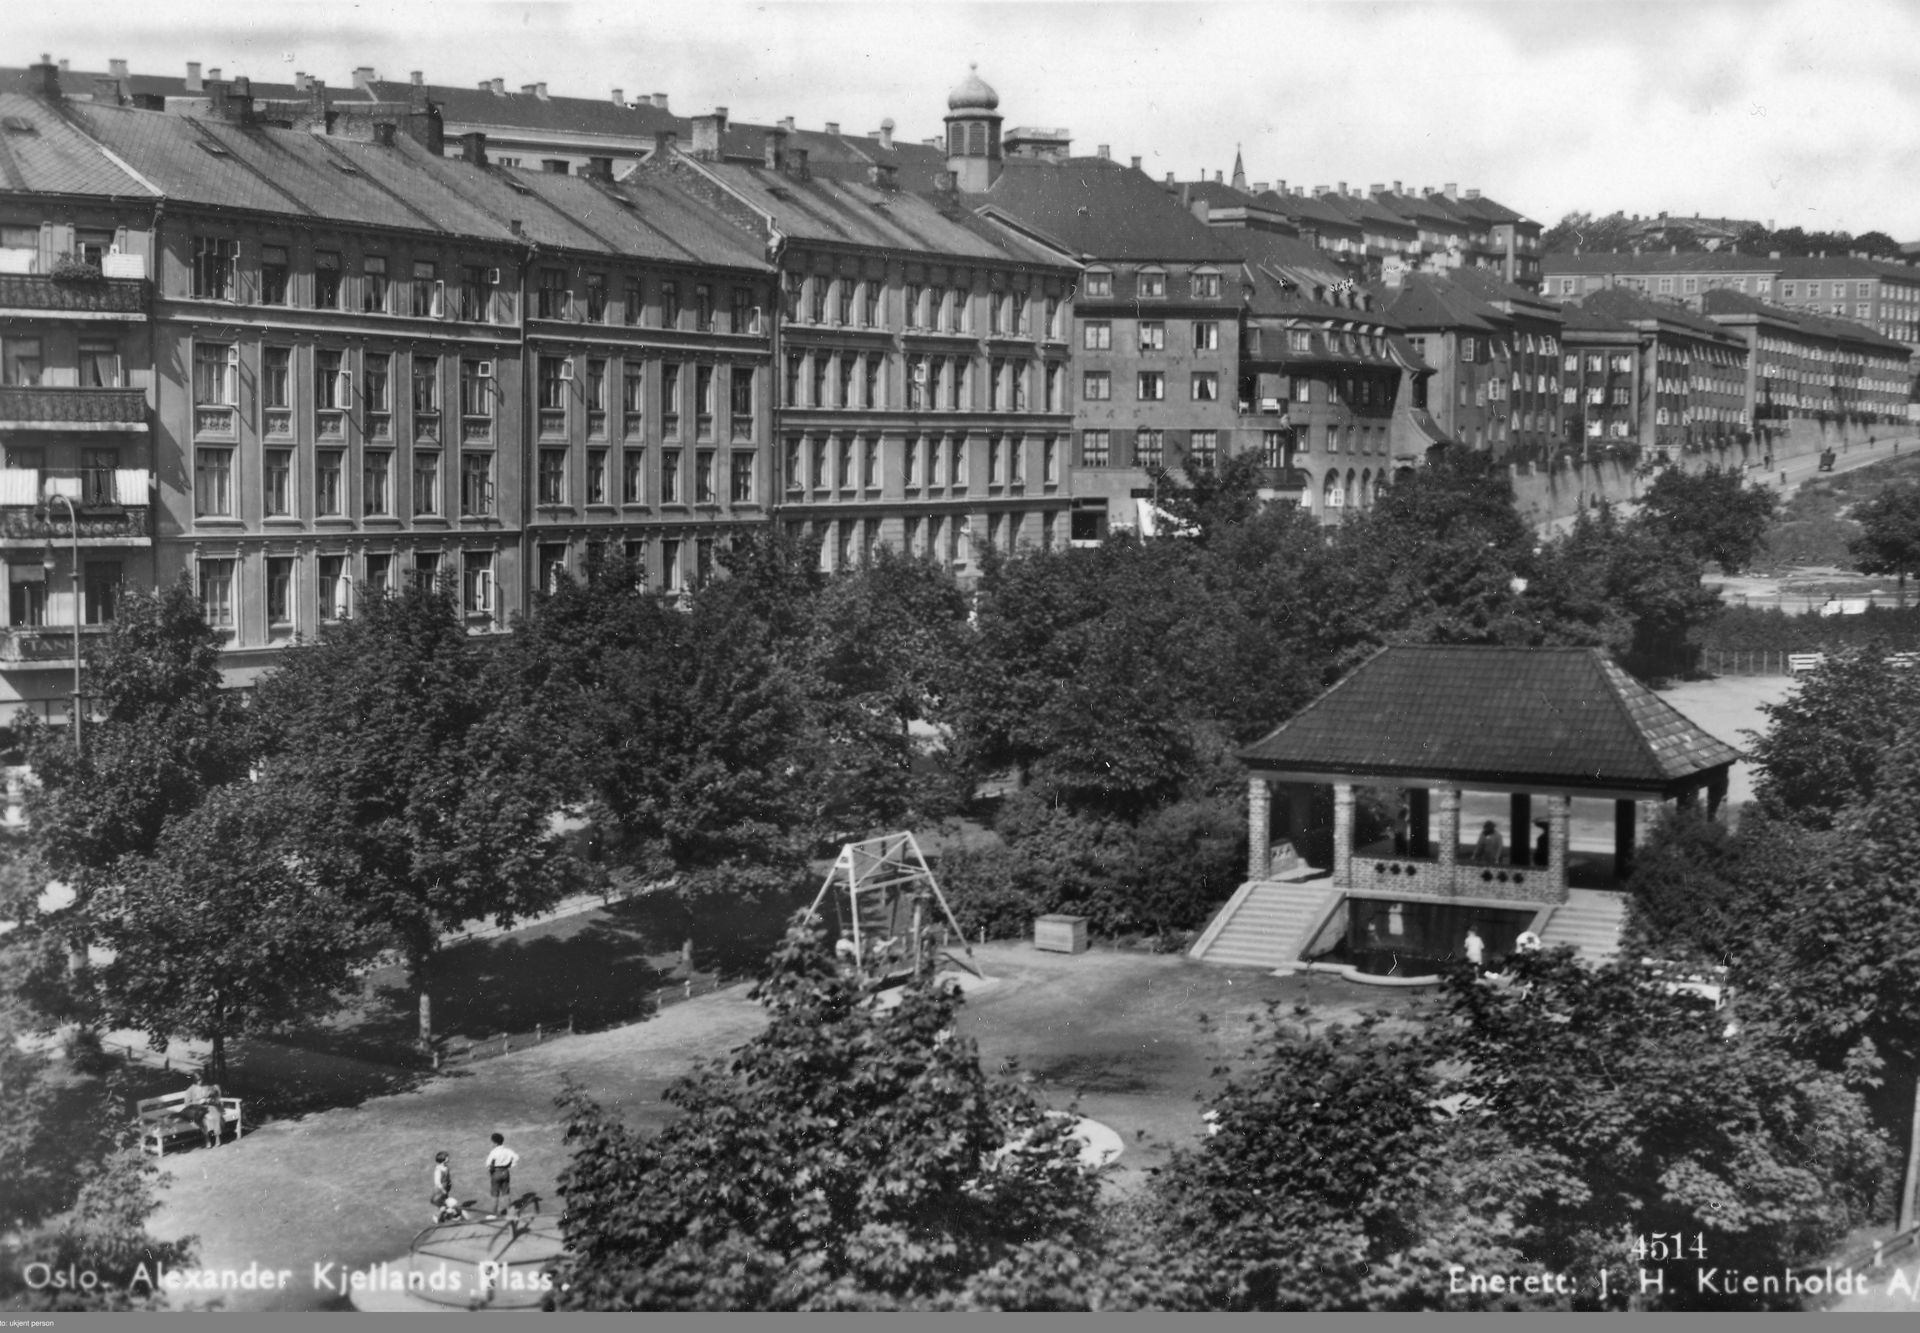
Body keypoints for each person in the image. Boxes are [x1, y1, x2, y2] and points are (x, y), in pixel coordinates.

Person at [180, 1070, 223, 1149]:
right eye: (198, 1080)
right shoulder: (190, 1090)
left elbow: (212, 1096)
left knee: (216, 1116)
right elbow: (187, 1104)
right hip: (197, 1109)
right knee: (204, 1119)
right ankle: (207, 1139)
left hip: (208, 1106)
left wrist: (208, 1100)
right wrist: (198, 1102)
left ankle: (217, 1137)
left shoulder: (206, 1087)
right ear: (194, 1080)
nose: (200, 1081)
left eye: (200, 1079)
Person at [484, 1133, 520, 1219]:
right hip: (505, 1172)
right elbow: (516, 1157)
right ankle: (511, 1214)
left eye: (492, 1142)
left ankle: (493, 1214)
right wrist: (510, 1165)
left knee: (495, 1194)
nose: (491, 1144)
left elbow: (488, 1164)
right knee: (506, 1193)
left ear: (495, 1143)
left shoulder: (493, 1152)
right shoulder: (508, 1150)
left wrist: (490, 1169)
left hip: (496, 1173)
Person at [431, 1150, 459, 1223]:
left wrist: (449, 1184)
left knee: (444, 1204)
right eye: (447, 1157)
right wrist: (442, 1190)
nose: (448, 1158)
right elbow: (437, 1182)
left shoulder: (445, 1167)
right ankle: (439, 1218)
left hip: (445, 1188)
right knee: (442, 1205)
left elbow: (447, 1177)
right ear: (443, 1159)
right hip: (439, 1191)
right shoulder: (438, 1170)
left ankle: (446, 1215)